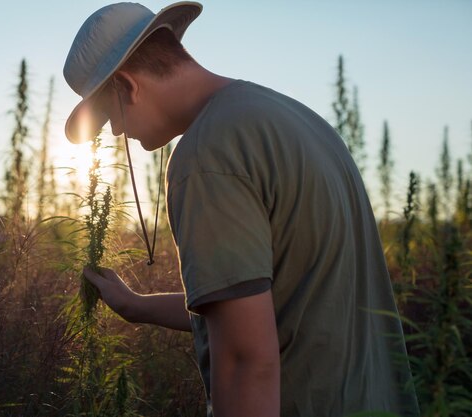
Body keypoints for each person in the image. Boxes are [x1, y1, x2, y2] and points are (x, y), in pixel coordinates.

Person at [63, 2, 420, 416]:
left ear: (127, 87)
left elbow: (246, 360)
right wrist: (137, 306)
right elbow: (268, 302)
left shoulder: (206, 155)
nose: (120, 132)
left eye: (110, 116)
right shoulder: (294, 120)